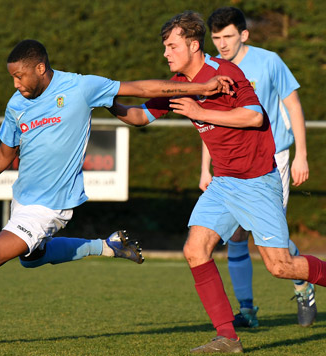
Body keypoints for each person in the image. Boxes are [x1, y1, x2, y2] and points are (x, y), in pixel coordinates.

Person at [0, 39, 232, 345]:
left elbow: (141, 88)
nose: (16, 84)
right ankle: (109, 246)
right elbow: (3, 155)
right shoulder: (16, 104)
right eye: (12, 77)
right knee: (31, 259)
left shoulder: (82, 87)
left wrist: (201, 86)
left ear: (40, 68)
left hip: (50, 209)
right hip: (22, 199)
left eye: (21, 76)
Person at [108, 11, 326, 353]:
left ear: (193, 45)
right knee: (195, 250)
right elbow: (138, 116)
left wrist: (200, 113)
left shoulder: (226, 73)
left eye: (171, 46)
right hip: (224, 183)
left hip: (257, 181)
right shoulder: (179, 84)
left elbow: (255, 116)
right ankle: (228, 337)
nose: (165, 53)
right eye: (165, 47)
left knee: (280, 266)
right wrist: (105, 99)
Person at [200, 6, 314, 329]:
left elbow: (293, 105)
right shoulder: (213, 69)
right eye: (217, 38)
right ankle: (247, 310)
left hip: (271, 159)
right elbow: (208, 122)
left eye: (228, 37)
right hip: (231, 165)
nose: (221, 44)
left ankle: (303, 286)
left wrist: (301, 154)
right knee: (236, 237)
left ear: (244, 35)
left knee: (270, 241)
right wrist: (204, 169)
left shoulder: (269, 62)